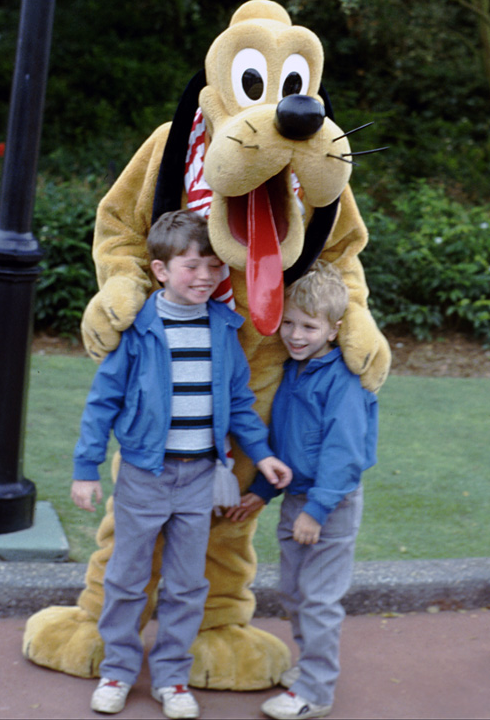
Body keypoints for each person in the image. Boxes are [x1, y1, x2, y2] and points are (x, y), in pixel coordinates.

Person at [71, 209, 292, 719]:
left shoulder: (224, 329)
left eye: (214, 266)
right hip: (144, 475)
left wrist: (263, 455)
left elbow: (239, 403)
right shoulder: (138, 329)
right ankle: (118, 671)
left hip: (199, 479)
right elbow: (102, 403)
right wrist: (86, 470)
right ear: (161, 270)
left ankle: (172, 676)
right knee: (126, 580)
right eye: (192, 265)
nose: (206, 276)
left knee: (189, 584)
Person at [227, 261, 379, 720]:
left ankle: (316, 689)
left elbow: (344, 454)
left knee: (317, 597)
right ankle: (308, 667)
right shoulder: (295, 371)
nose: (294, 335)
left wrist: (317, 510)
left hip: (330, 505)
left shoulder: (342, 382)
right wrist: (260, 491)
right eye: (288, 323)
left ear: (333, 330)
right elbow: (287, 441)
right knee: (293, 591)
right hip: (297, 500)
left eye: (308, 326)